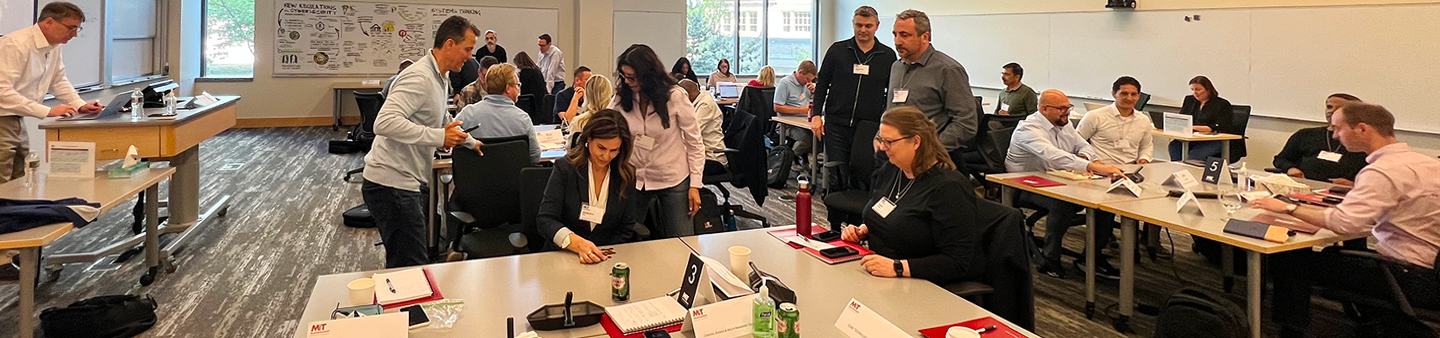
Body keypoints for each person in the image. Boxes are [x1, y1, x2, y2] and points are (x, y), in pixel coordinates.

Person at [1249, 102, 1440, 338]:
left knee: (1290, 256)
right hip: (1431, 267)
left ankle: (1293, 332)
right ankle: (1373, 320)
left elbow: (1344, 223)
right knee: (1333, 256)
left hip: (1406, 273)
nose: (1335, 135)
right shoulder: (1427, 163)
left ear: (1362, 129)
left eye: (1338, 128)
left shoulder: (1381, 172)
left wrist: (1287, 208)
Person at [361, 16, 482, 268]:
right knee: (410, 266)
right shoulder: (419, 77)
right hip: (391, 184)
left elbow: (442, 119)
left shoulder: (441, 78)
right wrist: (439, 136)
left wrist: (470, 141)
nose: (470, 56)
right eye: (467, 49)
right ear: (449, 44)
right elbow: (383, 123)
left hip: (406, 182)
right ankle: (406, 307)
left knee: (409, 262)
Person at [839, 106, 983, 284]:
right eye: (881, 140)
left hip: (919, 282)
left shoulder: (949, 188)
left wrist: (897, 267)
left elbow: (958, 262)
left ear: (916, 142)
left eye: (890, 142)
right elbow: (895, 215)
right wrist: (865, 230)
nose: (883, 148)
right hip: (880, 273)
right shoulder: (892, 169)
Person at [1005, 90, 1125, 279]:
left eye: (1068, 107)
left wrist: (1085, 157)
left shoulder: (1063, 123)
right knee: (1062, 203)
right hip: (1025, 184)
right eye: (1062, 108)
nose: (1067, 112)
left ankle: (1092, 258)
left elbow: (1083, 145)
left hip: (1056, 179)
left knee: (1105, 200)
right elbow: (1052, 154)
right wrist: (1091, 165)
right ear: (1044, 109)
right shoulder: (1028, 129)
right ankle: (1050, 259)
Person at [0, 2, 103, 184]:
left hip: (16, 118)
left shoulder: (53, 46)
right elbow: (2, 91)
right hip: (3, 118)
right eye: (70, 28)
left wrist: (80, 104)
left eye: (77, 29)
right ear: (48, 22)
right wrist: (47, 111)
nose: (74, 35)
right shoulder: (15, 44)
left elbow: (58, 80)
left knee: (19, 179)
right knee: (3, 180)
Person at [610, 44, 704, 239]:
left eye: (632, 77)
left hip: (673, 177)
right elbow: (604, 122)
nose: (627, 82)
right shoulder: (622, 96)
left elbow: (695, 143)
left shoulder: (674, 96)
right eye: (624, 76)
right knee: (627, 238)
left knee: (681, 240)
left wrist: (695, 185)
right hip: (635, 177)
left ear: (648, 75)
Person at [538, 109, 642, 263]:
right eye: (601, 148)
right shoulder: (566, 169)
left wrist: (602, 254)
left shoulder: (626, 175)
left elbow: (626, 226)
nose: (606, 156)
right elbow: (545, 220)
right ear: (588, 139)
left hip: (606, 257)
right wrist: (576, 244)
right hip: (564, 255)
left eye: (614, 150)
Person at [811, 5, 896, 188]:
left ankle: (859, 216)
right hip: (836, 124)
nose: (863, 30)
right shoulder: (837, 51)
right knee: (837, 172)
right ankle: (834, 216)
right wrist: (816, 115)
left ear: (877, 26)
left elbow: (891, 92)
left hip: (868, 126)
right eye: (859, 25)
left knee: (862, 173)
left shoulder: (888, 56)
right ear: (853, 24)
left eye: (868, 26)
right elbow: (822, 84)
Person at [889, 9, 977, 161]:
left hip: (931, 160)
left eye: (904, 35)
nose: (897, 41)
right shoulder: (896, 67)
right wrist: (881, 138)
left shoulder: (947, 70)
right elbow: (890, 110)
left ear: (925, 37)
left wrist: (931, 149)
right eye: (895, 35)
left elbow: (965, 123)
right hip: (896, 156)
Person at [1272, 93, 1367, 185]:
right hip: (1304, 185)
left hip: (1342, 190)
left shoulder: (1362, 140)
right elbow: (1281, 159)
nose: (1331, 111)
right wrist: (1291, 168)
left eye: (1339, 108)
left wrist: (1354, 184)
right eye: (1329, 107)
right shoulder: (1306, 134)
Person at [454, 63, 540, 163]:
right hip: (513, 177)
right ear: (508, 88)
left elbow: (450, 134)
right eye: (517, 85)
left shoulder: (467, 114)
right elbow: (535, 157)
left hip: (474, 176)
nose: (518, 89)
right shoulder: (522, 119)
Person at [1076, 76, 1154, 165]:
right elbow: (1077, 142)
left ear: (1138, 96)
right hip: (1101, 168)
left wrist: (1144, 159)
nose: (1129, 98)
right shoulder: (1095, 116)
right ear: (1114, 94)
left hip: (1131, 169)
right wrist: (1089, 160)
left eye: (1133, 94)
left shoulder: (1143, 120)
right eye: (1124, 94)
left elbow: (1146, 146)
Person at [1169, 75, 1235, 161]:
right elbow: (1183, 118)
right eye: (1192, 90)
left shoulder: (1221, 104)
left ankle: (1194, 173)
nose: (1195, 93)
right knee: (1174, 146)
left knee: (1195, 155)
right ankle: (1180, 171)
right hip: (1193, 137)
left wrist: (1195, 128)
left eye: (1198, 90)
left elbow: (1223, 127)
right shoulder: (1190, 100)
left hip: (1215, 140)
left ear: (1208, 89)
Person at [775, 60, 818, 160]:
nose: (808, 82)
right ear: (800, 72)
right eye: (807, 79)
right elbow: (777, 107)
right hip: (788, 124)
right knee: (807, 139)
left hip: (804, 121)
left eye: (811, 80)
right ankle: (789, 160)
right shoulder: (785, 83)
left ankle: (809, 161)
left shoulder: (806, 85)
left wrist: (815, 92)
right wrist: (801, 110)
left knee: (820, 136)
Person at [679, 79, 727, 166]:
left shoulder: (705, 105)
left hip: (711, 157)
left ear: (686, 94)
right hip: (701, 153)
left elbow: (692, 131)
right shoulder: (697, 102)